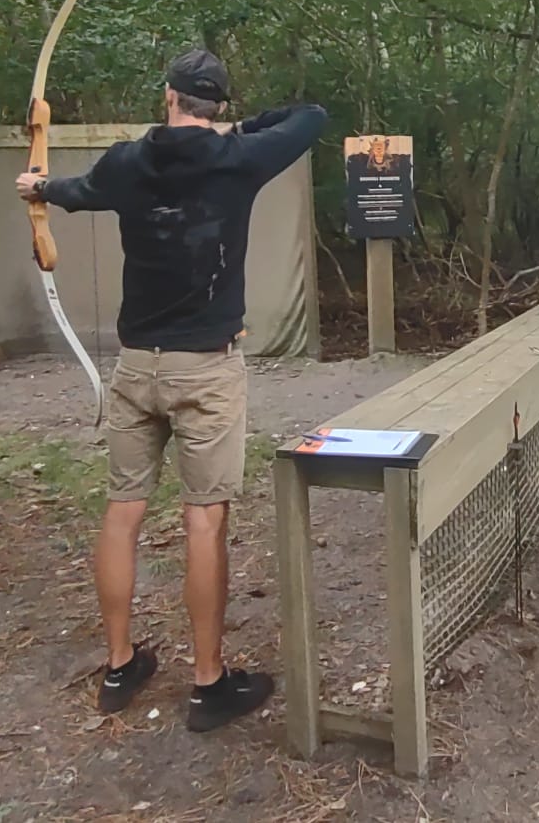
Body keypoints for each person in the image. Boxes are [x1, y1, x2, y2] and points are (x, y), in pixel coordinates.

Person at [16, 49, 326, 728]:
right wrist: (238, 130)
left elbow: (77, 190)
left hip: (136, 368)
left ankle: (121, 664)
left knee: (124, 508)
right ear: (214, 105)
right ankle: (208, 683)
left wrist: (38, 189)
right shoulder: (237, 158)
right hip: (205, 370)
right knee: (203, 516)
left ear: (168, 95)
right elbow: (311, 117)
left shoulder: (129, 162)